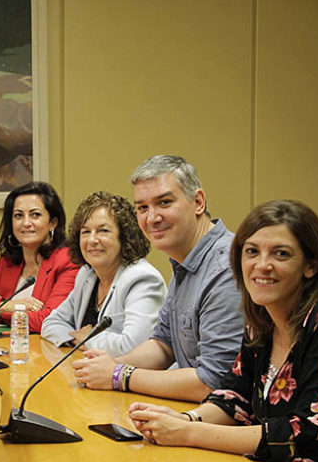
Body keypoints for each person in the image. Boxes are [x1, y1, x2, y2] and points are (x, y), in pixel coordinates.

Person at [129, 200, 318, 462]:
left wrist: (189, 434)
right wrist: (181, 420)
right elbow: (234, 397)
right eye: (252, 252)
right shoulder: (262, 318)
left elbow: (315, 437)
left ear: (311, 265)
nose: (262, 265)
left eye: (280, 254)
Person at [72, 155, 244, 402]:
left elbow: (214, 383)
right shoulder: (186, 262)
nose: (151, 218)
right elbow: (164, 346)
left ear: (198, 202)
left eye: (164, 203)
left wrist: (119, 374)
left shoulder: (226, 267)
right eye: (142, 208)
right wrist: (106, 367)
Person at [41, 191, 166, 356]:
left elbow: (135, 346)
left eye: (103, 231)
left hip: (130, 378)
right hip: (88, 371)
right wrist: (77, 339)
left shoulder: (142, 278)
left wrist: (88, 339)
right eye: (85, 232)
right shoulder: (87, 275)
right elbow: (51, 322)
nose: (92, 240)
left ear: (124, 237)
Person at [0, 181, 79, 332]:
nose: (26, 223)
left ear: (52, 223)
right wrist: (7, 306)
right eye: (18, 215)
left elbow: (48, 320)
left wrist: (0, 308)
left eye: (35, 215)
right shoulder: (7, 262)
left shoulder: (67, 261)